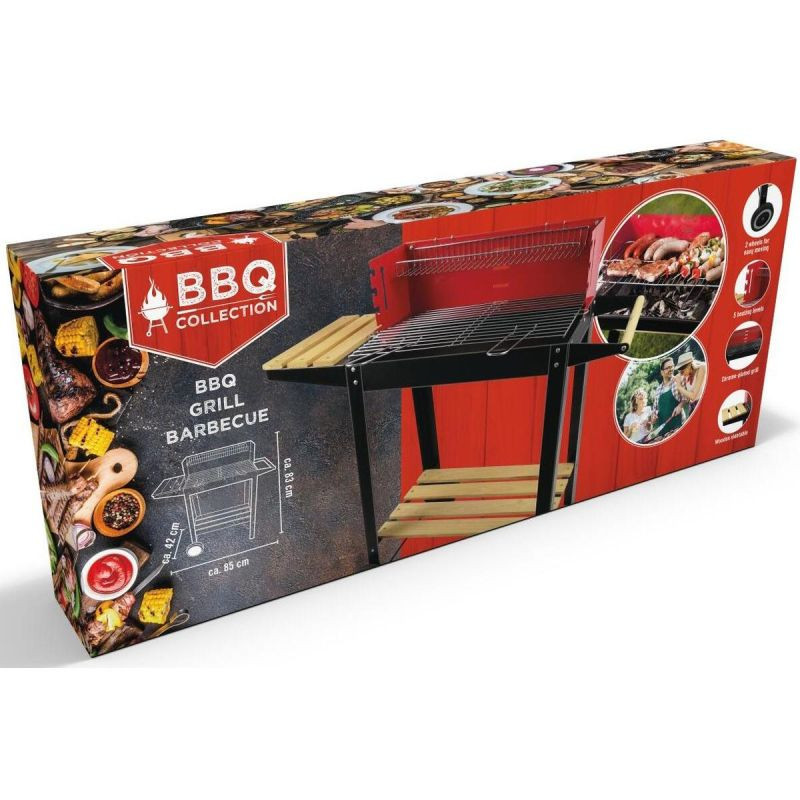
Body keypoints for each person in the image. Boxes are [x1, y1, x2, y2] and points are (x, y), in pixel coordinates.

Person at [649, 356, 685, 440]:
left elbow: (686, 398)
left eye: (672, 366)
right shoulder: (658, 389)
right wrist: (653, 416)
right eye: (668, 367)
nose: (671, 369)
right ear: (662, 372)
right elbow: (655, 409)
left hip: (678, 427)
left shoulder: (678, 381)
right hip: (663, 432)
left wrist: (680, 406)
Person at [673, 351, 707, 415]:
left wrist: (679, 387)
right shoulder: (686, 374)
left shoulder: (701, 368)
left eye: (682, 371)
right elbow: (686, 396)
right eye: (680, 371)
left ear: (689, 366)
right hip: (692, 407)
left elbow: (693, 396)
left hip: (703, 405)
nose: (681, 373)